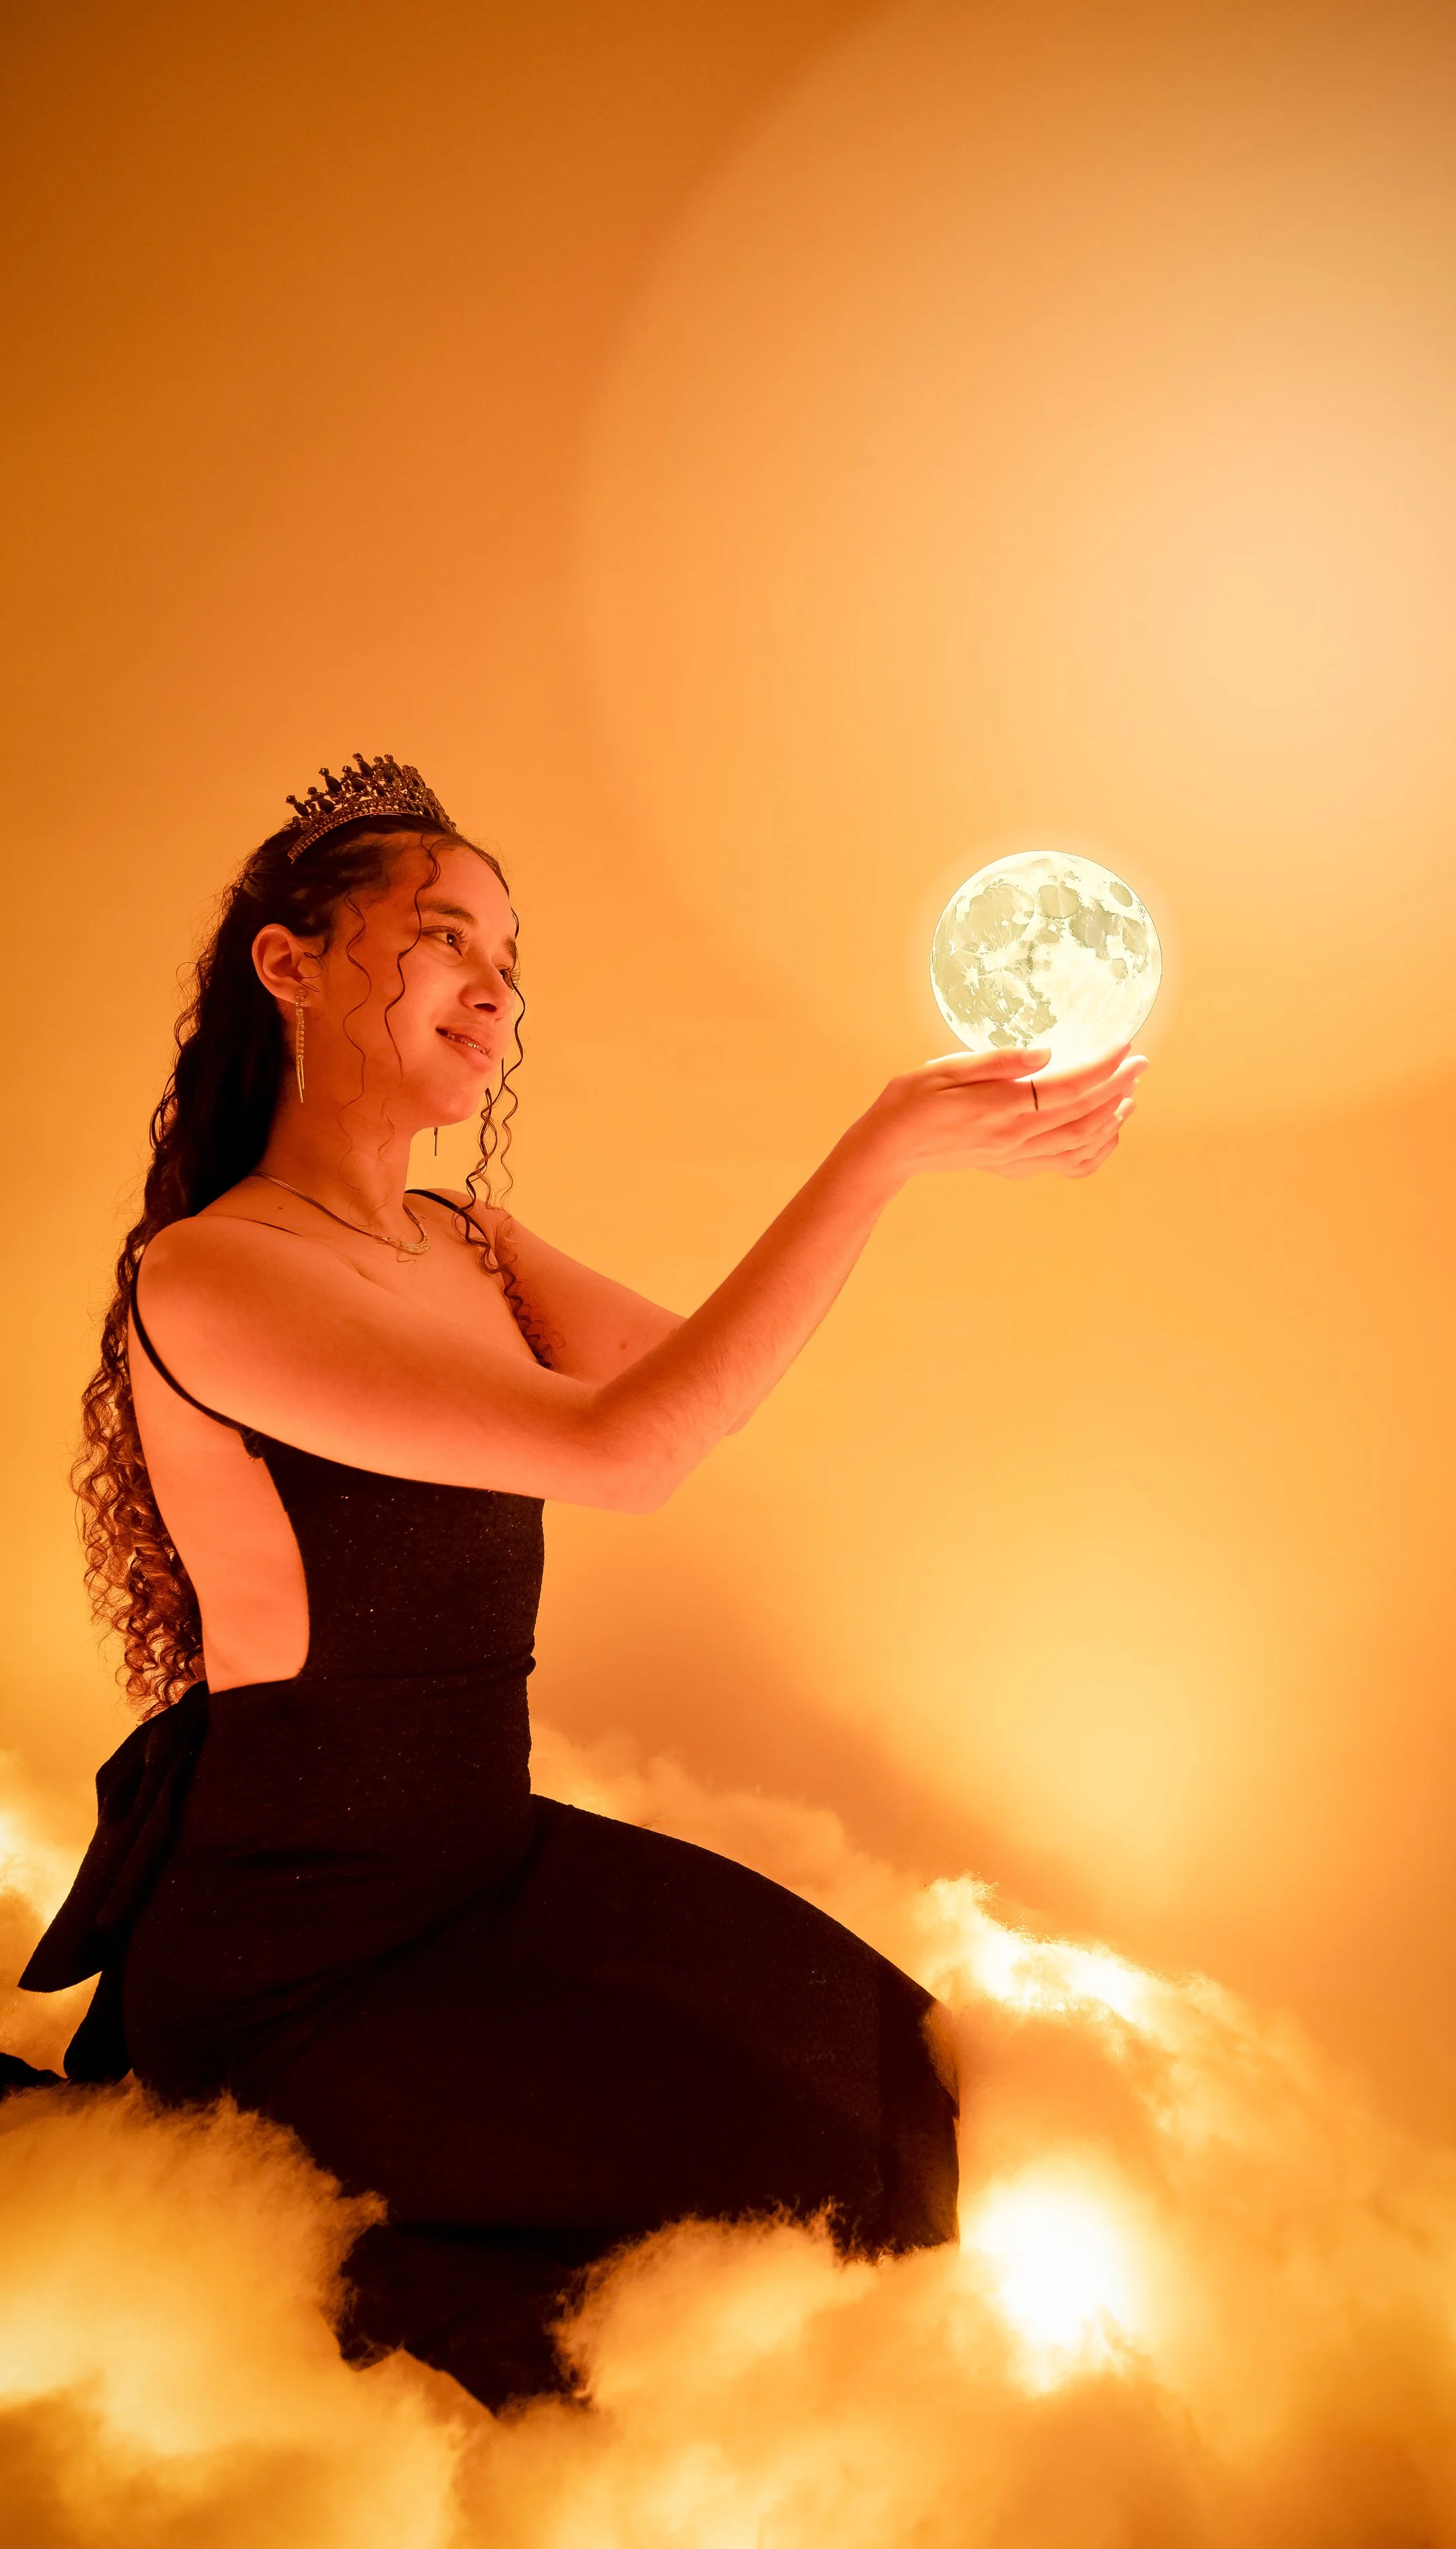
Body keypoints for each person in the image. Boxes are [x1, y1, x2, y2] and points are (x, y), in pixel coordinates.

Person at [16, 756, 1145, 2410]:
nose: (495, 989)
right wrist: (879, 1146)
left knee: (898, 2073)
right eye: (445, 936)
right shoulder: (207, 1276)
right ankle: (305, 2252)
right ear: (289, 963)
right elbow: (630, 1451)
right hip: (297, 1963)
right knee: (799, 2221)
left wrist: (920, 1166)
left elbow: (702, 1381)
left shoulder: (468, 1242)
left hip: (490, 1861)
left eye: (509, 958)